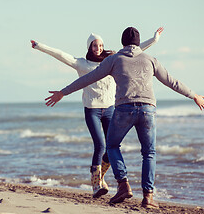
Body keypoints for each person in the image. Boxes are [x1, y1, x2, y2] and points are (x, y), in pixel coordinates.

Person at [44, 27, 204, 209]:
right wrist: (194, 95)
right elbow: (172, 81)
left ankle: (123, 184)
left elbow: (88, 78)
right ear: (138, 43)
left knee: (112, 146)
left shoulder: (114, 59)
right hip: (148, 110)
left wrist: (63, 93)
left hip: (124, 110)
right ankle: (148, 197)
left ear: (122, 42)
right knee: (149, 153)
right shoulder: (150, 59)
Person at [31, 27, 163, 198]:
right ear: (89, 47)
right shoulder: (81, 64)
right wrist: (39, 46)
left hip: (110, 108)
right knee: (100, 145)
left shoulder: (112, 59)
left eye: (100, 45)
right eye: (95, 46)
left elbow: (135, 49)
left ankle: (98, 177)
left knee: (111, 148)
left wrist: (154, 39)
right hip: (92, 109)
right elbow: (61, 54)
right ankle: (96, 186)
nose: (98, 48)